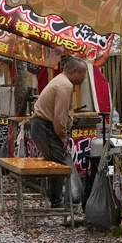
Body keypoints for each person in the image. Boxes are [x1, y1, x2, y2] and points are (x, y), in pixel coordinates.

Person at [30, 55, 89, 208]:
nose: (84, 77)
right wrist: (62, 135)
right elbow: (60, 116)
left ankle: (56, 199)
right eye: (83, 72)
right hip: (44, 126)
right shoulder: (65, 86)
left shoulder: (61, 81)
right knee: (60, 164)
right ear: (75, 71)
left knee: (57, 163)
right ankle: (57, 201)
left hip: (43, 126)